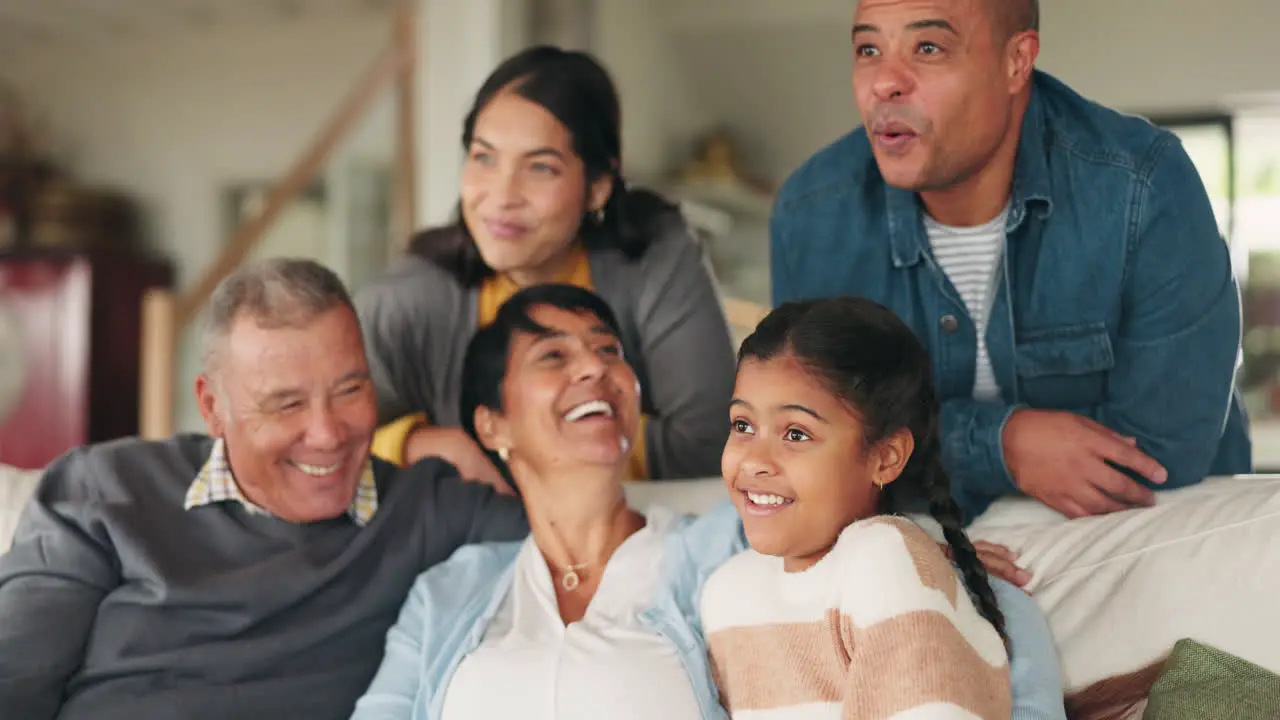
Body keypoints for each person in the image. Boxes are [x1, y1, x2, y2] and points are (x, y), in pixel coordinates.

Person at [350, 284, 1067, 720]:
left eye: (608, 351)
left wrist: (931, 555)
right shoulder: (451, 590)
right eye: (553, 356)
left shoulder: (731, 547)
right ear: (491, 425)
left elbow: (979, 616)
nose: (594, 368)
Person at [769, 0, 1251, 522]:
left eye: (927, 47)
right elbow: (808, 441)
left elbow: (1163, 452)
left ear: (1016, 61)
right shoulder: (811, 217)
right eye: (868, 49)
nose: (884, 83)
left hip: (1152, 547)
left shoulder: (1143, 185)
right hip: (931, 555)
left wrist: (910, 445)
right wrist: (1004, 445)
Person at [0, 259, 527, 720]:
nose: (327, 434)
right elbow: (15, 678)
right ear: (212, 408)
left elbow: (583, 534)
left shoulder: (429, 511)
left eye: (350, 390)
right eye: (286, 404)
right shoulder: (105, 488)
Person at [358, 45, 735, 488]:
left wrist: (521, 449)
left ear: (597, 186)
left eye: (540, 168)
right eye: (484, 158)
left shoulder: (655, 258)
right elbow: (316, 440)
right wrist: (415, 443)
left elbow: (710, 442)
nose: (502, 196)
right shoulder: (408, 298)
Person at [702, 297, 1014, 719]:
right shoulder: (724, 592)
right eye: (743, 425)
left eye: (796, 434)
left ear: (885, 458)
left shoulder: (883, 556)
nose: (755, 460)